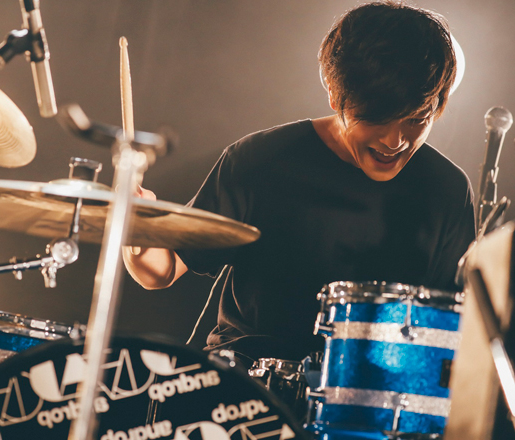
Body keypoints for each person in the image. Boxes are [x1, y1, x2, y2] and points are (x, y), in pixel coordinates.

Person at [123, 1, 476, 366]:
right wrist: (136, 225)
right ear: (335, 94)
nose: (395, 141)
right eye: (377, 119)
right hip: (248, 384)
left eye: (417, 119)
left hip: (374, 393)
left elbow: (453, 329)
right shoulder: (260, 160)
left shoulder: (447, 189)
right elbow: (160, 271)